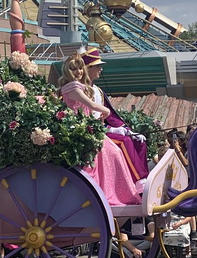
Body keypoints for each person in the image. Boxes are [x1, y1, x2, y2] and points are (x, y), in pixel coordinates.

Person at [59, 54, 143, 206]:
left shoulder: (83, 87)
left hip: (90, 128)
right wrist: (105, 111)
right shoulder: (72, 87)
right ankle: (107, 194)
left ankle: (124, 191)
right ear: (67, 71)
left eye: (79, 68)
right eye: (74, 68)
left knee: (116, 152)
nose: (78, 71)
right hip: (81, 131)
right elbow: (90, 105)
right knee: (113, 153)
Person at [79, 47, 149, 180]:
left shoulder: (98, 90)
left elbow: (111, 117)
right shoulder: (80, 90)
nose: (101, 69)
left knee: (137, 141)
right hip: (91, 132)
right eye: (97, 66)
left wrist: (127, 130)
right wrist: (109, 129)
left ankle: (142, 179)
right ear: (88, 68)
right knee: (124, 142)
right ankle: (137, 180)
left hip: (102, 129)